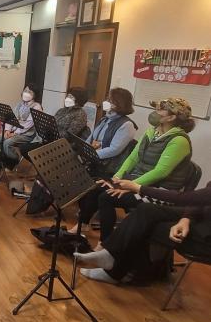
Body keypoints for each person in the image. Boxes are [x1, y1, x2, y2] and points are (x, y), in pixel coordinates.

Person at [71, 97, 195, 242]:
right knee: (96, 187)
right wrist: (116, 178)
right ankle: (83, 224)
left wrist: (131, 186)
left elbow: (161, 172)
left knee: (107, 197)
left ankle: (106, 243)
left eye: (161, 110)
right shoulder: (152, 132)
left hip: (160, 192)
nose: (155, 112)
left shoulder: (179, 140)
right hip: (140, 182)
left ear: (172, 117)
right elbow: (132, 158)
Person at [75, 178, 211, 284]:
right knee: (147, 210)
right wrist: (186, 219)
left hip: (205, 239)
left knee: (147, 225)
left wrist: (138, 188)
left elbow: (184, 198)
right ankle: (111, 256)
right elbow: (200, 199)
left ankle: (117, 272)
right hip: (202, 218)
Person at [86, 87, 138, 176]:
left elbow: (114, 149)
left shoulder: (127, 125)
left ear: (119, 103)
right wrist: (84, 149)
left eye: (110, 100)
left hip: (106, 165)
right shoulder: (105, 118)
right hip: (93, 159)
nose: (106, 102)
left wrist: (91, 154)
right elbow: (91, 137)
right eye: (107, 99)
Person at [0, 84, 43, 162]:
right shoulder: (20, 104)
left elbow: (27, 125)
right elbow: (12, 117)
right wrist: (7, 130)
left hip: (27, 135)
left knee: (7, 144)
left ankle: (15, 161)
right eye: (25, 91)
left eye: (30, 92)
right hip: (14, 132)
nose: (26, 93)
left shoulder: (36, 107)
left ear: (35, 95)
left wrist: (14, 134)